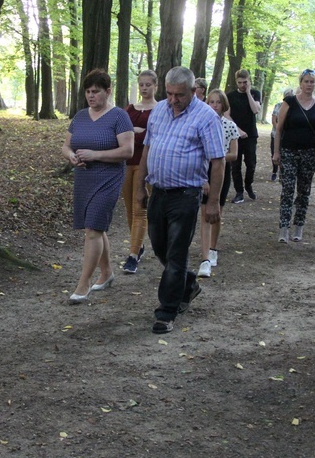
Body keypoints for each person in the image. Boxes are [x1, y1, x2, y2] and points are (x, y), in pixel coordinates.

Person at [135, 66, 225, 334]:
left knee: (176, 252)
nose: (173, 100)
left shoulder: (206, 117)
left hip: (186, 194)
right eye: (170, 93)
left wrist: (213, 201)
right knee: (160, 247)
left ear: (193, 91)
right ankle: (188, 282)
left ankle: (166, 311)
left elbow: (218, 161)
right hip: (158, 192)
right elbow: (147, 149)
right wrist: (140, 186)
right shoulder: (159, 111)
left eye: (180, 95)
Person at [62, 69, 134, 303]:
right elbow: (66, 145)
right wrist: (71, 156)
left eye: (96, 91)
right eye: (88, 92)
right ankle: (107, 273)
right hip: (84, 178)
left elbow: (127, 151)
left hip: (108, 178)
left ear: (108, 91)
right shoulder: (81, 116)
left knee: (93, 229)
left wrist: (96, 154)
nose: (91, 96)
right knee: (95, 228)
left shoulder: (119, 116)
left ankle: (83, 285)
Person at [273, 70, 315, 244]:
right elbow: (279, 128)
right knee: (287, 190)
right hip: (289, 151)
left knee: (304, 191)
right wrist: (277, 152)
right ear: (300, 83)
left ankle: (299, 226)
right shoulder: (289, 102)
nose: (309, 85)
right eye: (306, 81)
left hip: (309, 152)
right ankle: (283, 227)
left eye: (312, 82)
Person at [197, 89, 239, 278]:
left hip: (221, 170)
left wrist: (218, 156)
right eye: (211, 102)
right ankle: (205, 257)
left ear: (224, 105)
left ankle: (213, 247)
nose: (214, 105)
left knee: (217, 211)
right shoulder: (201, 124)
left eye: (217, 102)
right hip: (203, 170)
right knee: (204, 212)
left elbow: (234, 154)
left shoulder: (229, 126)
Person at [121, 70, 158, 274]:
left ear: (155, 86)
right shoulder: (130, 109)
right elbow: (122, 132)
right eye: (141, 84)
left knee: (140, 207)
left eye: (148, 85)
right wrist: (137, 133)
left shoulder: (160, 109)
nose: (144, 88)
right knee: (129, 209)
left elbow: (155, 135)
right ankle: (138, 245)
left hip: (146, 164)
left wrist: (137, 132)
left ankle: (133, 255)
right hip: (126, 163)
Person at [227, 69, 262, 203]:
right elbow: (227, 115)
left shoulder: (255, 93)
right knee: (235, 165)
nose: (242, 85)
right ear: (236, 82)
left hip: (251, 134)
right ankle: (239, 191)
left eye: (245, 82)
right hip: (235, 134)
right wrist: (238, 130)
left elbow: (255, 110)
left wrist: (248, 93)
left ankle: (248, 184)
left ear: (249, 81)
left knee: (251, 163)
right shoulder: (230, 96)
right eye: (240, 82)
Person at [270, 88, 294, 182]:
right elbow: (274, 120)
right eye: (287, 96)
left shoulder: (295, 108)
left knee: (285, 154)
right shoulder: (278, 106)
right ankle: (274, 171)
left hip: (288, 136)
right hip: (276, 134)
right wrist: (279, 128)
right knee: (274, 152)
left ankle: (282, 172)